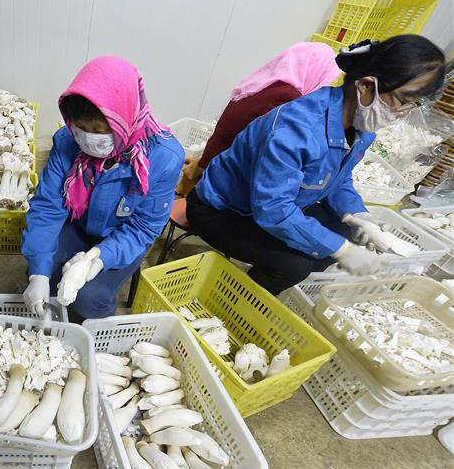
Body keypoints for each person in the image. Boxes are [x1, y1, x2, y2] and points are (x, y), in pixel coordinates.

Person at [188, 35, 445, 295]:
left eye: (415, 104)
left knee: (345, 234)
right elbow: (273, 209)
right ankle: (231, 301)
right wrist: (341, 250)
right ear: (367, 86)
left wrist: (360, 216)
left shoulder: (362, 125)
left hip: (274, 204)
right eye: (404, 100)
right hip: (222, 211)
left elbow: (338, 179)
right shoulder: (295, 130)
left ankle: (261, 281)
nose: (405, 112)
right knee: (294, 265)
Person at [21, 56, 183, 320]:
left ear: (125, 117)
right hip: (78, 225)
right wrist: (38, 272)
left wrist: (96, 258)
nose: (88, 138)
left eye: (100, 129)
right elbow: (47, 207)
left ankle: (94, 324)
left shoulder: (164, 158)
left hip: (124, 236)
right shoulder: (66, 141)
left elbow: (143, 227)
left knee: (90, 298)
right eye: (81, 128)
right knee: (43, 271)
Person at [177, 42, 342, 195]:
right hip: (224, 175)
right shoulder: (288, 98)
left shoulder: (267, 82)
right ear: (316, 71)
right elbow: (273, 149)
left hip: (213, 155)